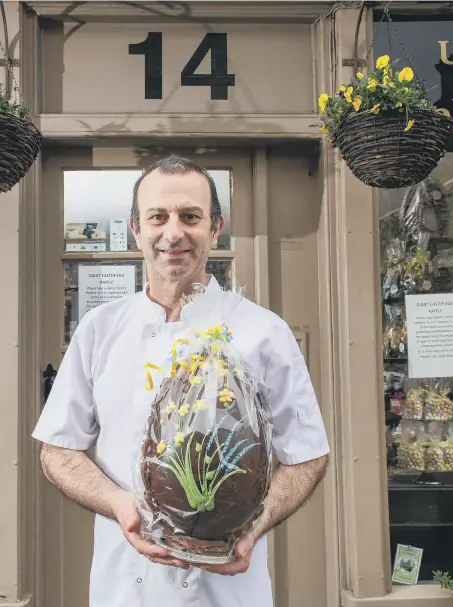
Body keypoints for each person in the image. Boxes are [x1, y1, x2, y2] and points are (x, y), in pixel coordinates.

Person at [32, 155, 331, 607]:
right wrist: (119, 503)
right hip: (123, 588)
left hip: (227, 589)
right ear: (137, 229)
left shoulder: (263, 332)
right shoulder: (99, 328)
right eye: (158, 217)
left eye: (191, 216)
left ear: (215, 229)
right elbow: (57, 450)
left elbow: (307, 456)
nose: (173, 232)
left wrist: (253, 526)